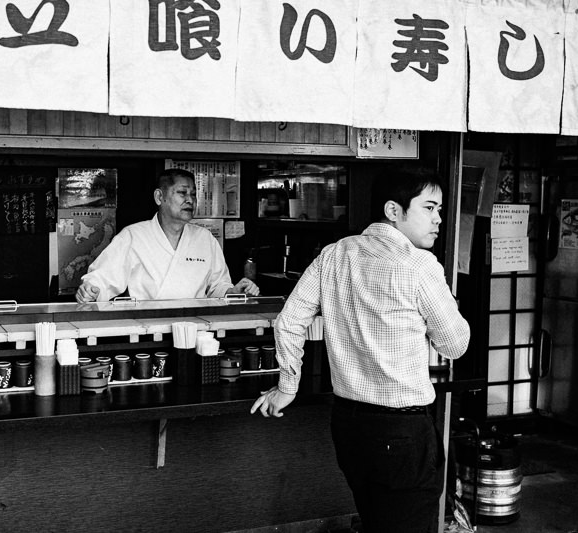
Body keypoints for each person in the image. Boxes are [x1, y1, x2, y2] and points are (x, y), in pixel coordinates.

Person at [250, 171, 470, 533]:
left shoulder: (334, 255)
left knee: (375, 520)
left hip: (350, 426)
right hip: (402, 430)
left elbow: (288, 320)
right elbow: (455, 344)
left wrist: (287, 387)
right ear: (393, 210)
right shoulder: (419, 266)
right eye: (429, 208)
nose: (439, 219)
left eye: (440, 209)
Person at [76, 168, 259, 302]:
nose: (190, 200)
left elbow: (217, 285)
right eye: (182, 193)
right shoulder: (134, 236)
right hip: (147, 328)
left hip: (196, 327)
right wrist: (91, 290)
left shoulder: (205, 238)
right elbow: (103, 277)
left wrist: (233, 292)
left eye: (193, 194)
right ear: (159, 197)